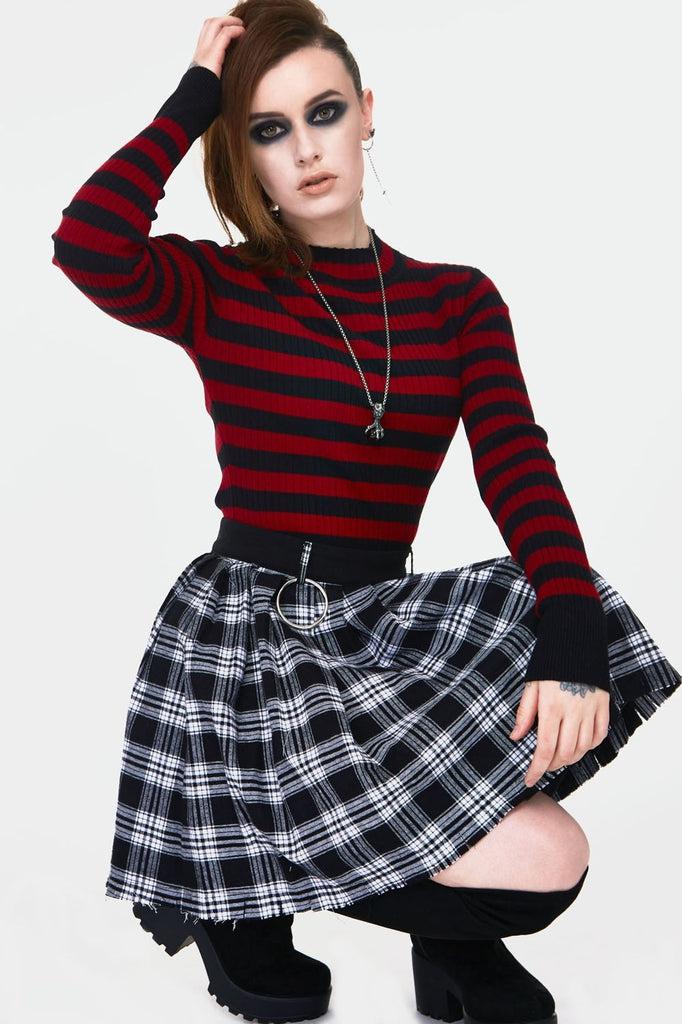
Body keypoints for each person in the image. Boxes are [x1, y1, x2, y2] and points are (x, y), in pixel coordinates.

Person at [51, 2, 681, 1022]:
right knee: (519, 845)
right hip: (246, 643)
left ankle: (430, 936)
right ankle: (233, 895)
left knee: (552, 844)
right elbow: (89, 244)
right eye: (268, 129)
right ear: (243, 152)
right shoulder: (217, 285)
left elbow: (516, 462)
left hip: (378, 627)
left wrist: (568, 623)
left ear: (367, 113)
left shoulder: (456, 301)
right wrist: (195, 98)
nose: (305, 150)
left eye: (324, 112)